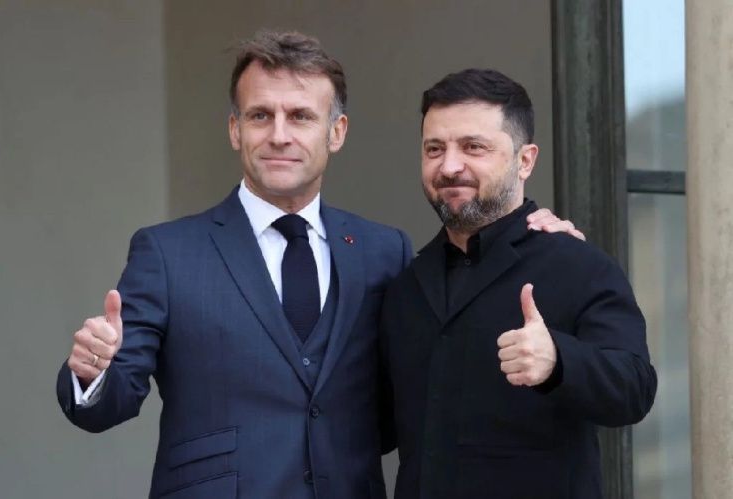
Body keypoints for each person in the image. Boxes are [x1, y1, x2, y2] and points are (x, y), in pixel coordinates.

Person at [56, 31, 576, 499]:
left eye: (301, 116)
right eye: (260, 115)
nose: (279, 135)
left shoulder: (384, 251)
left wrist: (533, 238)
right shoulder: (167, 252)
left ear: (336, 132)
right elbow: (109, 400)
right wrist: (92, 372)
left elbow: (440, 368)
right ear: (235, 129)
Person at [380, 68, 657, 499]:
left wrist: (558, 360)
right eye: (434, 149)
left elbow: (635, 388)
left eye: (473, 147)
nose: (449, 166)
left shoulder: (577, 264)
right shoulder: (406, 287)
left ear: (525, 160)